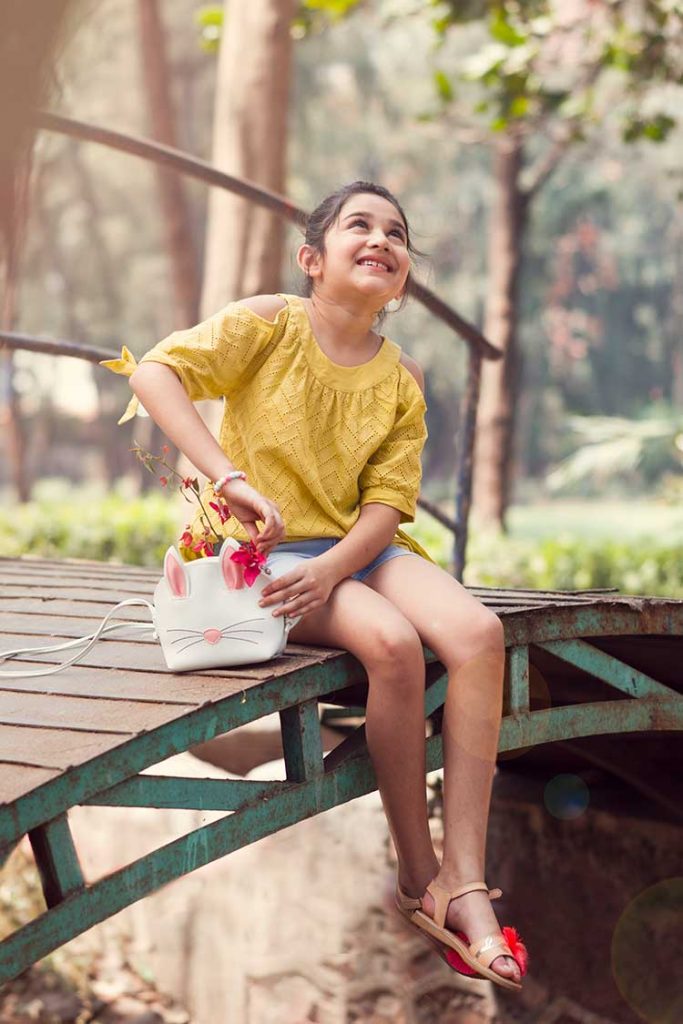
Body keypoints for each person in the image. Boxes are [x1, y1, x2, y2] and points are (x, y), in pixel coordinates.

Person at [122, 181, 527, 989]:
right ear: (312, 259)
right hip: (260, 554)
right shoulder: (268, 324)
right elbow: (156, 373)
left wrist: (337, 567)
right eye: (359, 225)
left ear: (403, 277)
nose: (381, 239)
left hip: (356, 552)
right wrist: (228, 478)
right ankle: (420, 877)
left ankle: (463, 875)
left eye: (397, 233)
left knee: (481, 635)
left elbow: (385, 504)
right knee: (391, 644)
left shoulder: (401, 376)